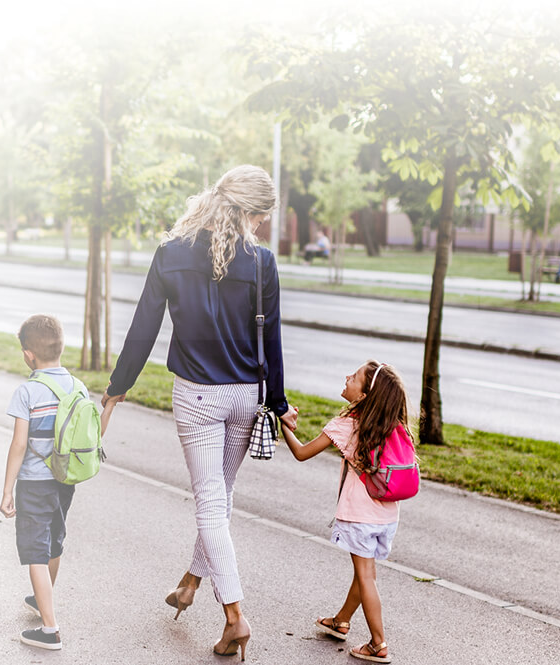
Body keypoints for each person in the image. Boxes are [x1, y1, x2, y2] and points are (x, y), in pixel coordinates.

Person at [102, 164, 296, 661]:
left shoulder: (171, 253)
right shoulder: (261, 262)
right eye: (260, 217)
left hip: (199, 396)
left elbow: (143, 327)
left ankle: (234, 617)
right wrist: (277, 401)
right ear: (250, 211)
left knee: (211, 504)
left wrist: (117, 388)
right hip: (246, 396)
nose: (260, 227)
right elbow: (270, 338)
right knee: (220, 500)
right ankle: (189, 583)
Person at [278, 360, 410, 664]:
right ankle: (341, 620)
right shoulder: (393, 426)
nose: (347, 377)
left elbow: (301, 453)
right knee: (365, 574)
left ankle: (378, 644)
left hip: (360, 515)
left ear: (363, 396)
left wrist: (285, 423)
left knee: (365, 576)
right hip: (387, 517)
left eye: (354, 377)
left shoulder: (348, 425)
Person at [0, 314, 116, 651]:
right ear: (61, 348)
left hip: (34, 483)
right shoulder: (77, 386)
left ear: (28, 355)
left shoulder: (27, 392)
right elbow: (92, 437)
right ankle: (41, 599)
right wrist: (108, 408)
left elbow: (19, 444)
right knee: (53, 539)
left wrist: (7, 490)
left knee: (35, 548)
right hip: (64, 481)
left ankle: (50, 630)